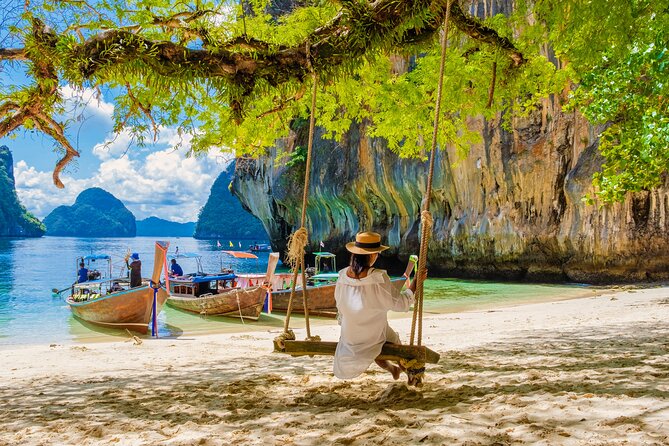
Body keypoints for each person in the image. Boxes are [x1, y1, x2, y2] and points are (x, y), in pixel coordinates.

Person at [333, 231, 419, 381]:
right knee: (390, 341)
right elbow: (401, 304)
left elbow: (340, 306)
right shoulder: (378, 278)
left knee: (379, 339)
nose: (378, 256)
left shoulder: (342, 276)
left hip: (349, 337)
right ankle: (407, 372)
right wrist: (417, 281)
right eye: (377, 253)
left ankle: (393, 369)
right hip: (373, 335)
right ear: (372, 255)